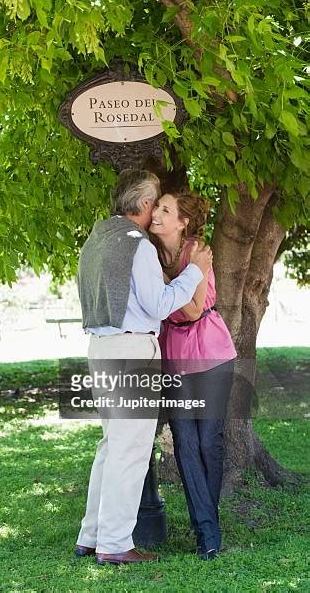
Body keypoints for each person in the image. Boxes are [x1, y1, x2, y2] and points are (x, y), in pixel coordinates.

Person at [75, 169, 213, 566]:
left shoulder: (97, 237)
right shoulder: (138, 246)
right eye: (155, 202)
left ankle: (92, 534)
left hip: (99, 348)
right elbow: (158, 305)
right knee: (131, 450)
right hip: (132, 349)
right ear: (144, 203)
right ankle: (115, 544)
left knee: (110, 446)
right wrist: (194, 272)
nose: (156, 211)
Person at [149, 190, 237, 561]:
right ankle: (207, 530)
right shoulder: (149, 256)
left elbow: (193, 308)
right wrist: (180, 286)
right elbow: (175, 306)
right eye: (157, 207)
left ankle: (207, 525)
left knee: (209, 442)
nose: (156, 213)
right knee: (185, 443)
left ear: (182, 222)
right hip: (175, 357)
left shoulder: (197, 249)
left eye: (165, 210)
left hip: (213, 353)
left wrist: (168, 291)